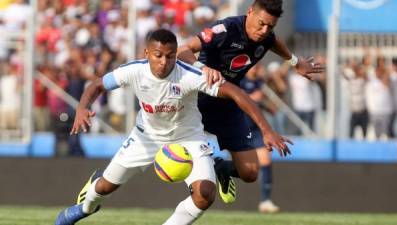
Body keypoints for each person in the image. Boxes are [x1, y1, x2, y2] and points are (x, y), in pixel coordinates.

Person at [54, 29, 291, 225]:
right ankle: (84, 209)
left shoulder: (189, 75)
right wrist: (83, 108)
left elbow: (236, 93)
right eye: (158, 55)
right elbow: (96, 85)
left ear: (176, 55)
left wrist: (267, 130)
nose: (164, 62)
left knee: (205, 195)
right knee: (105, 187)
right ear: (147, 53)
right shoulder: (133, 71)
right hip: (145, 138)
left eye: (170, 56)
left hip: (188, 138)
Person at [177, 0, 324, 203]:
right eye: (261, 23)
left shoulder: (267, 37)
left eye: (270, 26)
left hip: (228, 105)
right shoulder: (225, 29)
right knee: (193, 175)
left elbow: (274, 41)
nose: (264, 30)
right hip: (198, 101)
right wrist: (201, 68)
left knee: (250, 172)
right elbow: (183, 49)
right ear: (249, 12)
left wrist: (296, 62)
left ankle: (220, 167)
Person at [240, 64, 279, 213]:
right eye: (253, 65)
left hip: (255, 129)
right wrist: (252, 98)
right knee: (245, 168)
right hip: (240, 128)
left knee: (266, 161)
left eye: (258, 65)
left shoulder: (259, 82)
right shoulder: (240, 80)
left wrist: (267, 107)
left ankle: (265, 201)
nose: (256, 68)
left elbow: (257, 103)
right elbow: (237, 98)